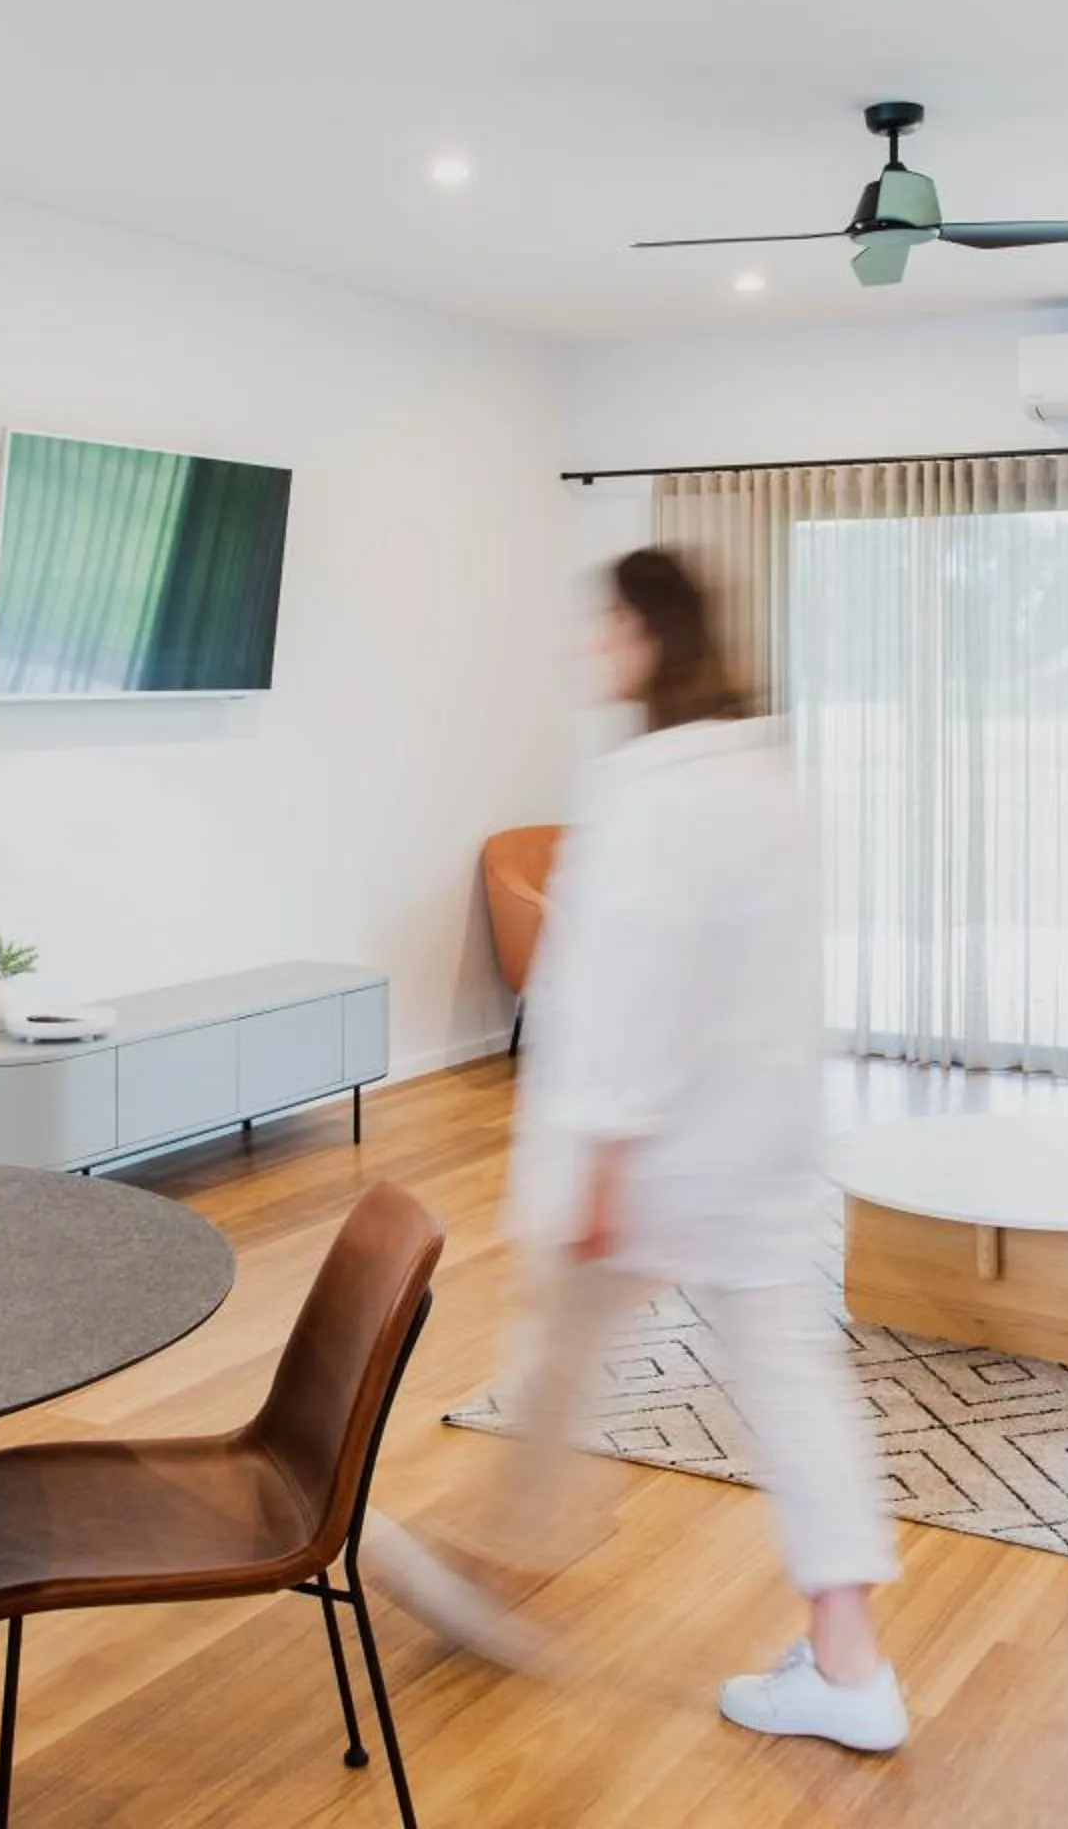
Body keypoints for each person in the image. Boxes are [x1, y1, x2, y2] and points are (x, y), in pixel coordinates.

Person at [382, 547, 907, 1752]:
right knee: (781, 1380)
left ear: (651, 634)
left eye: (606, 622)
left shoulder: (653, 790)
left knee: (560, 1349)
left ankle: (504, 1570)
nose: (590, 643)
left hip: (658, 1152)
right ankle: (849, 1653)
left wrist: (606, 1163)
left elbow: (632, 990)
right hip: (755, 1139)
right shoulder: (764, 775)